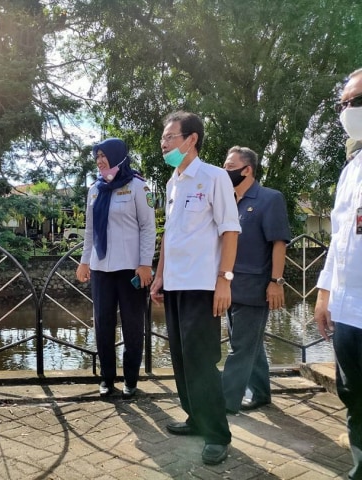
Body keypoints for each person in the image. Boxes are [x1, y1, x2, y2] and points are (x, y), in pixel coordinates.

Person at [149, 111, 240, 465]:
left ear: (191, 139)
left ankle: (217, 433)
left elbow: (230, 231)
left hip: (203, 285)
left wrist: (224, 280)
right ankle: (195, 417)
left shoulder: (214, 177)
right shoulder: (173, 182)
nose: (164, 143)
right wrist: (159, 277)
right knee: (182, 359)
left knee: (202, 360)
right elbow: (171, 236)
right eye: (163, 138)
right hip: (175, 284)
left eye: (170, 137)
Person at [76, 138, 156, 398]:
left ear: (118, 156)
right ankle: (106, 378)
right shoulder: (95, 190)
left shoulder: (138, 187)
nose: (99, 161)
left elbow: (148, 227)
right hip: (101, 269)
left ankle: (130, 379)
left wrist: (146, 264)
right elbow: (90, 231)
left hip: (131, 270)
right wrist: (84, 261)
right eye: (97, 156)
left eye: (103, 155)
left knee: (133, 326)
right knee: (103, 325)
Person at [315, 67, 362, 480]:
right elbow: (339, 237)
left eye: (356, 101)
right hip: (348, 308)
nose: (348, 110)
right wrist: (324, 292)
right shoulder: (352, 167)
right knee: (353, 393)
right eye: (344, 103)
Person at [221, 146, 291, 414]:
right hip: (229, 286)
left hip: (255, 289)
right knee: (250, 343)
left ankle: (225, 402)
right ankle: (261, 393)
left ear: (247, 169)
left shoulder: (269, 199)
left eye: (230, 166)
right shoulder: (228, 201)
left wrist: (276, 281)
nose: (225, 171)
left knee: (240, 348)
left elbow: (278, 243)